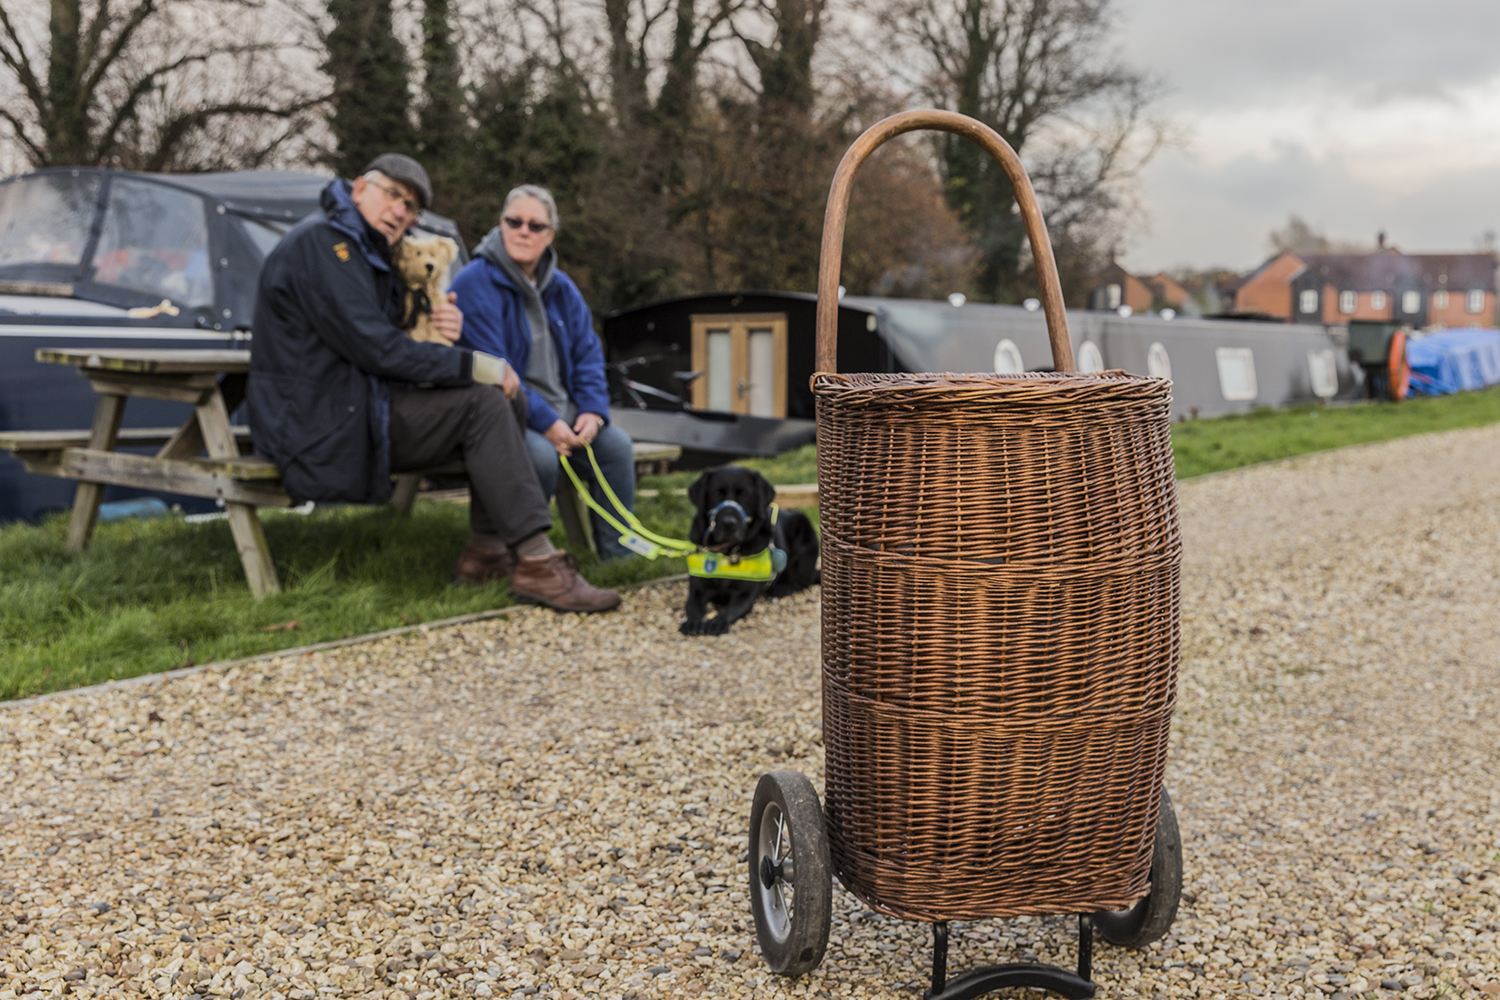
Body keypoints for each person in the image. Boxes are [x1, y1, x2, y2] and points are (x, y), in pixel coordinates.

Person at [248, 153, 619, 613]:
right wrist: (478, 366)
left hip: (358, 405)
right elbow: (376, 348)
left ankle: (487, 552)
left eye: (411, 205)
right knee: (484, 399)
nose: (401, 210)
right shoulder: (326, 246)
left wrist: (433, 321)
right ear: (359, 188)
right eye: (393, 195)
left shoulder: (364, 248)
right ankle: (539, 564)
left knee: (502, 398)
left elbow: (382, 336)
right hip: (317, 422)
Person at [450, 185, 638, 561]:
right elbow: (495, 371)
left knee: (616, 447)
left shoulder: (563, 288)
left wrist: (592, 412)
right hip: (505, 416)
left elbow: (588, 356)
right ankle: (526, 561)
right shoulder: (473, 284)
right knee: (540, 457)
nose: (524, 231)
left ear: (550, 234)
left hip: (565, 414)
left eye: (536, 226)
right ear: (500, 225)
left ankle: (619, 560)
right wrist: (548, 423)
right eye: (514, 222)